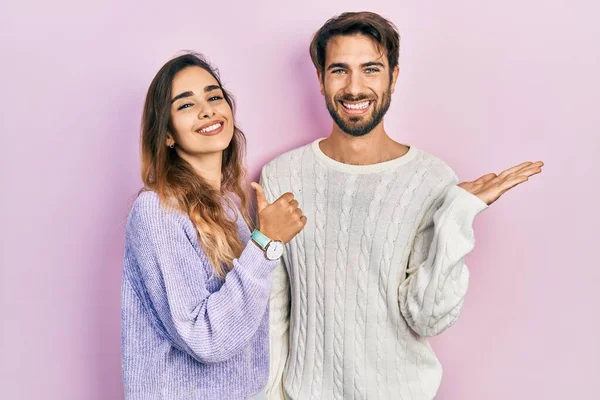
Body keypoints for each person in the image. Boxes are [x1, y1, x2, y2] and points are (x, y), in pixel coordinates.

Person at [262, 12, 543, 400]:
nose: (355, 88)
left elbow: (426, 317)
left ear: (394, 77)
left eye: (371, 69)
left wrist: (456, 215)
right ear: (321, 80)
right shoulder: (282, 176)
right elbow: (274, 310)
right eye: (339, 70)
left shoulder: (431, 179)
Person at [121, 52, 306, 400]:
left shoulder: (230, 208)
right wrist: (266, 243)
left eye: (214, 96)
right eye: (186, 105)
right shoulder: (156, 212)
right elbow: (206, 337)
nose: (207, 110)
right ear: (167, 136)